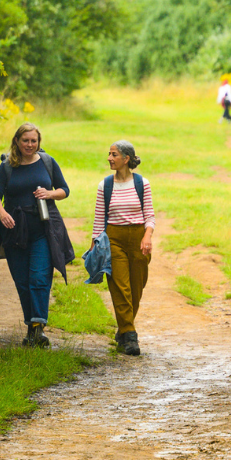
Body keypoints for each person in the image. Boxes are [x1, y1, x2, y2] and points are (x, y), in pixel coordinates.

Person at [0, 122, 75, 347]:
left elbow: (65, 190)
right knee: (23, 281)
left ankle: (37, 327)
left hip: (43, 230)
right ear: (17, 141)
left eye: (33, 140)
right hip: (14, 231)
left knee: (39, 278)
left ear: (39, 142)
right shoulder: (7, 166)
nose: (29, 144)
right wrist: (2, 212)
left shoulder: (47, 162)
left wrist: (49, 193)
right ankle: (31, 326)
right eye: (25, 140)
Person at [91, 140, 155, 356]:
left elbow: (150, 215)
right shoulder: (105, 185)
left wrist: (147, 236)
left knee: (136, 288)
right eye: (109, 154)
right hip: (114, 238)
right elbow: (99, 219)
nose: (109, 158)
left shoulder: (142, 183)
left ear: (126, 159)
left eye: (114, 154)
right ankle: (129, 335)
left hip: (138, 238)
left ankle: (123, 329)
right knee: (120, 287)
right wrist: (94, 244)